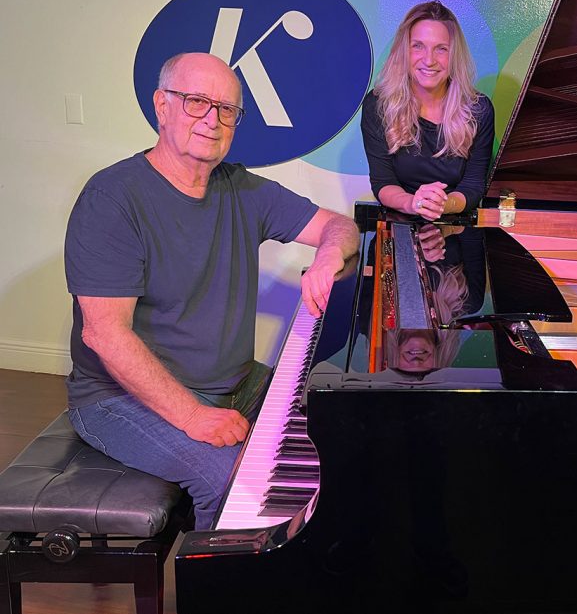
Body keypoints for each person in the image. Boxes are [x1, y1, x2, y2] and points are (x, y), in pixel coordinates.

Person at [63, 52, 359, 530]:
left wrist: (328, 254)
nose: (212, 120)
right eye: (197, 102)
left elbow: (340, 226)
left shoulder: (240, 188)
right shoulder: (112, 198)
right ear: (162, 106)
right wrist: (194, 415)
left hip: (236, 385)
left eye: (227, 109)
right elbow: (104, 335)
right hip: (119, 399)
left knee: (342, 428)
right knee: (238, 485)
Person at [361, 0, 494, 221]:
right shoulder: (378, 105)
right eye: (418, 46)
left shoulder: (478, 109)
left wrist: (443, 204)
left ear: (454, 55)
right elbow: (383, 183)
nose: (429, 60)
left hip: (455, 224)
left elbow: (473, 184)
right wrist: (414, 204)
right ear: (405, 51)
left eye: (441, 49)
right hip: (401, 219)